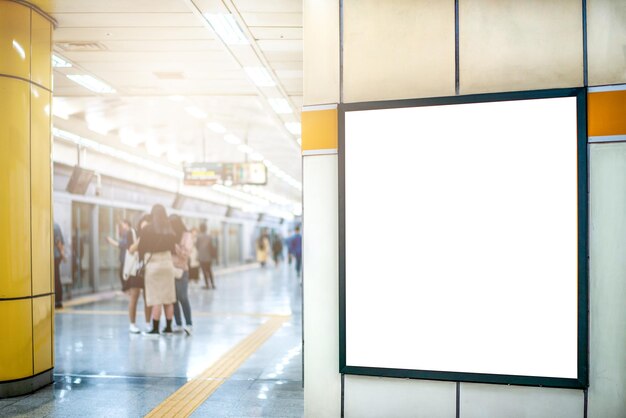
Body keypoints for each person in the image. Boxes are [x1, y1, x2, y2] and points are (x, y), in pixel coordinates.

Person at [137, 204, 177, 336]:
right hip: (167, 263)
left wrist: (141, 260)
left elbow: (141, 248)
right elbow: (173, 248)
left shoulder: (147, 229)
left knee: (156, 298)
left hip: (153, 265)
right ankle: (169, 327)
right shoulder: (169, 229)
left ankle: (155, 328)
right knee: (168, 297)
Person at [125, 215, 152, 333]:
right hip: (136, 269)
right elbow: (131, 249)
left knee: (148, 297)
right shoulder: (132, 233)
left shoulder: (154, 235)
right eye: (144, 225)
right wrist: (142, 237)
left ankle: (148, 323)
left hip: (148, 268)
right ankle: (132, 324)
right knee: (134, 296)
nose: (146, 227)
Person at [170, 215, 193, 335]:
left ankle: (189, 323)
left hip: (181, 270)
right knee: (173, 299)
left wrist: (175, 246)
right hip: (170, 270)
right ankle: (178, 324)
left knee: (183, 297)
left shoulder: (186, 235)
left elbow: (186, 253)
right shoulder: (169, 235)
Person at [106, 220, 133, 289]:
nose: (122, 226)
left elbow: (121, 244)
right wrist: (116, 229)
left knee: (123, 274)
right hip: (125, 258)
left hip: (127, 258)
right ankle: (126, 289)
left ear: (127, 224)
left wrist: (110, 241)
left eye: (122, 224)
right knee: (123, 274)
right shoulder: (126, 233)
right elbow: (119, 240)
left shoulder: (129, 233)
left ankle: (126, 289)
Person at [196, 223, 215, 289]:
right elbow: (212, 246)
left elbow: (197, 246)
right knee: (209, 271)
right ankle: (212, 284)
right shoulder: (209, 236)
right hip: (209, 257)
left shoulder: (198, 237)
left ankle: (207, 285)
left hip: (202, 257)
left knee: (204, 272)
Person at [53, 222, 66, 309]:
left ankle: (58, 300)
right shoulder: (55, 225)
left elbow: (58, 241)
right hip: (55, 256)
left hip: (53, 256)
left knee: (55, 279)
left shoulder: (53, 225)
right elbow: (59, 241)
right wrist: (62, 254)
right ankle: (58, 301)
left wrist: (62, 254)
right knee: (56, 278)